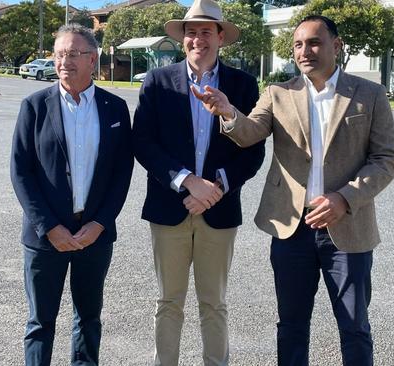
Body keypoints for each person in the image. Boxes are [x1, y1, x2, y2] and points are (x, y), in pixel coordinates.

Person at [193, 15, 394, 366]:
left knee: (354, 327)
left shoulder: (370, 94)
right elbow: (249, 133)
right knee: (291, 325)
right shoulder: (279, 93)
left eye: (315, 43)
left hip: (348, 230)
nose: (305, 51)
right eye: (298, 45)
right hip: (291, 228)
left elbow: (386, 158)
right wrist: (227, 112)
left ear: (336, 46)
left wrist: (344, 198)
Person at [132, 0, 265, 364]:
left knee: (214, 303)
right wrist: (188, 181)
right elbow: (143, 141)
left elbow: (253, 149)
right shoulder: (158, 82)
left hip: (218, 212)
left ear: (221, 37)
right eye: (191, 32)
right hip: (168, 207)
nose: (197, 40)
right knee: (168, 302)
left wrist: (215, 188)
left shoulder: (242, 85)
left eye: (206, 32)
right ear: (183, 38)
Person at [10, 24, 134, 365]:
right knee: (40, 322)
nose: (64, 61)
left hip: (93, 235)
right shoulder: (35, 107)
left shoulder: (115, 109)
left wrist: (99, 224)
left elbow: (121, 173)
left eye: (73, 54)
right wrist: (49, 226)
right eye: (59, 53)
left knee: (88, 319)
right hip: (45, 237)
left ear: (92, 59)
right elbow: (21, 172)